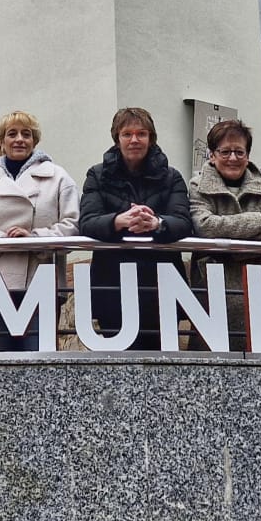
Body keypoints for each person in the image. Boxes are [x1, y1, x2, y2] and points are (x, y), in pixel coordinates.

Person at [0, 112, 80, 351]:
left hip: (40, 280)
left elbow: (72, 224)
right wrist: (2, 240)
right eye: (12, 134)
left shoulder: (58, 178)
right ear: (1, 142)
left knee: (37, 361)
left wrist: (34, 239)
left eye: (26, 134)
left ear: (35, 141)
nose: (19, 139)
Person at [78, 106, 192, 351]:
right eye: (127, 134)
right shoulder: (97, 175)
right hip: (112, 283)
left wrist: (157, 223)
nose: (134, 140)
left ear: (151, 139)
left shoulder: (172, 177)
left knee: (164, 363)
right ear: (116, 139)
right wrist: (121, 220)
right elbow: (87, 221)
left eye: (141, 133)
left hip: (162, 284)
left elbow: (183, 221)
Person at [186, 118, 261, 350]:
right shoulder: (197, 185)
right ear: (212, 155)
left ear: (248, 155)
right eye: (225, 152)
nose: (233, 158)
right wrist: (256, 220)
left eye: (239, 152)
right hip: (215, 303)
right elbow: (205, 227)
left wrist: (229, 248)